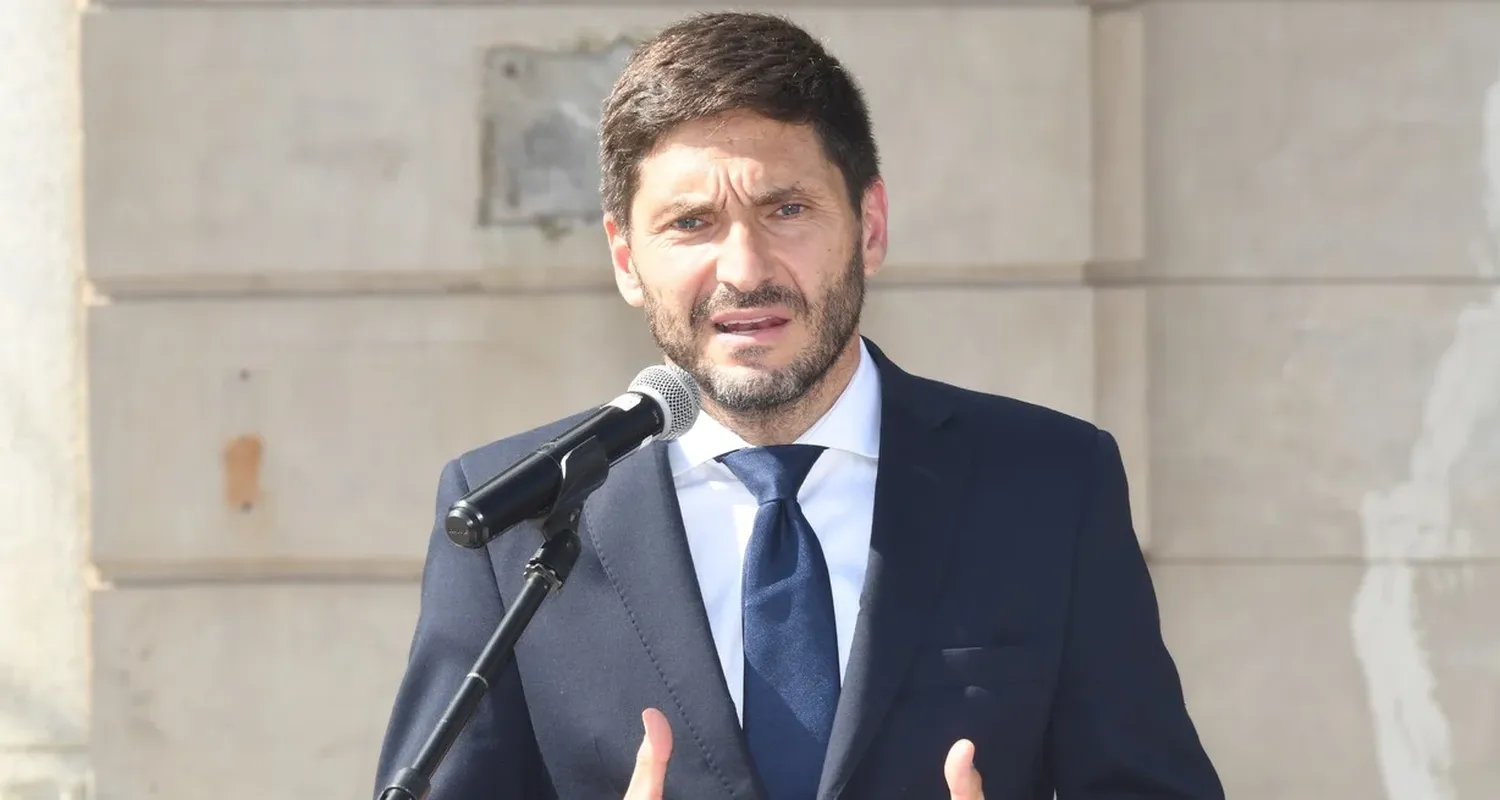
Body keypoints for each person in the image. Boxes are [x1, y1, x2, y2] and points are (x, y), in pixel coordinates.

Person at [374, 11, 1224, 800]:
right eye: (692, 222)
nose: (745, 268)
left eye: (786, 209)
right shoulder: (518, 517)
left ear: (871, 224)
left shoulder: (1048, 484)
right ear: (626, 259)